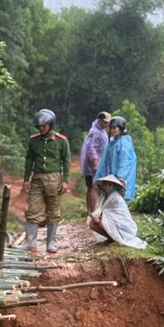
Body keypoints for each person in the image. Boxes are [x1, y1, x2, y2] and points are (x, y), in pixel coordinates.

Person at [23, 109, 71, 255]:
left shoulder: (61, 141)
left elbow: (66, 161)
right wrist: (26, 179)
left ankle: (50, 243)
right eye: (39, 126)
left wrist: (65, 181)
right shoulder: (34, 141)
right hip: (37, 178)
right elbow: (29, 159)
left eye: (44, 126)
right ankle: (31, 244)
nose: (41, 129)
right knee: (32, 210)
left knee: (53, 211)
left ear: (51, 125)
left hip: (54, 179)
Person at [88, 175, 147, 248]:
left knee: (97, 223)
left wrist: (98, 218)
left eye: (109, 185)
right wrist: (97, 217)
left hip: (122, 226)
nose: (107, 187)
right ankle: (111, 238)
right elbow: (105, 212)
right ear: (102, 185)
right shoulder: (104, 196)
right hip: (114, 222)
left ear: (114, 186)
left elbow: (113, 216)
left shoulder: (115, 197)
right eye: (105, 184)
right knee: (92, 224)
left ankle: (115, 239)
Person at [94, 116, 137, 201]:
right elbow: (104, 163)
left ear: (121, 128)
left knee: (119, 202)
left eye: (114, 128)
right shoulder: (111, 142)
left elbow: (125, 161)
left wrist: (121, 177)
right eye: (111, 128)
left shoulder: (124, 143)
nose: (112, 130)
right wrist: (99, 178)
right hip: (111, 179)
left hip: (120, 179)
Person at [80, 112, 111, 217]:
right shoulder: (94, 131)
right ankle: (92, 212)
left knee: (91, 187)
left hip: (98, 162)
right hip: (92, 164)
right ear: (100, 121)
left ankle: (90, 212)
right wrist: (95, 161)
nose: (107, 124)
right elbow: (91, 147)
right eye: (105, 122)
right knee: (93, 187)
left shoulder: (102, 131)